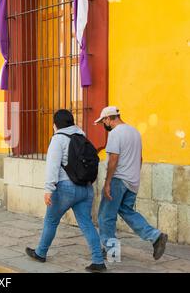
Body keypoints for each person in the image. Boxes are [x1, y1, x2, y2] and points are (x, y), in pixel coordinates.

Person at [25, 109, 106, 273]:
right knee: (86, 224)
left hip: (65, 189)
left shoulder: (58, 139)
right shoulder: (82, 137)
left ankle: (41, 252)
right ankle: (98, 261)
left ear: (55, 124)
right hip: (86, 188)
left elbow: (52, 166)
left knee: (51, 221)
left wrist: (48, 189)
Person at [95, 106, 168, 261]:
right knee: (127, 211)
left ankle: (112, 252)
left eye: (103, 121)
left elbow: (113, 159)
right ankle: (155, 236)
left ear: (109, 118)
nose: (103, 125)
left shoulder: (115, 133)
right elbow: (140, 159)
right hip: (132, 181)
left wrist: (107, 183)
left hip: (118, 180)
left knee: (106, 217)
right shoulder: (135, 132)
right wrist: (134, 177)